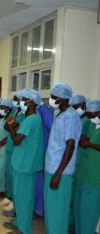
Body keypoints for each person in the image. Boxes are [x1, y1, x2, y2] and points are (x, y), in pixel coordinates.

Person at [3, 89, 44, 234]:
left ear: (31, 102)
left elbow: (16, 140)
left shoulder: (33, 118)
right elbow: (22, 133)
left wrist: (10, 128)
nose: (21, 102)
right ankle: (19, 222)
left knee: (24, 198)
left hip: (26, 165)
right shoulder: (30, 118)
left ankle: (24, 229)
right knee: (19, 196)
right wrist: (14, 126)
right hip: (23, 163)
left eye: (24, 99)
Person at [44, 83, 81, 234]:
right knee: (51, 210)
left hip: (60, 173)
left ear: (63, 98)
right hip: (52, 168)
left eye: (53, 97)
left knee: (57, 212)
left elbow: (70, 145)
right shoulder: (60, 114)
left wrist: (58, 174)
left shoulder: (70, 117)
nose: (51, 99)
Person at [74, 100, 100, 234]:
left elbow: (91, 143)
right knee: (79, 209)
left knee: (89, 213)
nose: (90, 117)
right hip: (83, 174)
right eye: (88, 115)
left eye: (92, 114)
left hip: (95, 178)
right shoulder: (91, 125)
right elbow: (85, 137)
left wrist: (90, 144)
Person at [2, 89, 26, 214]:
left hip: (17, 148)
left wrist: (11, 126)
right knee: (9, 176)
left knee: (16, 179)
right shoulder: (15, 111)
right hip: (11, 148)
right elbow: (8, 126)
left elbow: (16, 130)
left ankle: (14, 204)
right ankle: (9, 197)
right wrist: (11, 125)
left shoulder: (25, 116)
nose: (15, 101)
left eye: (17, 99)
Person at [68, 94, 89, 231]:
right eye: (73, 107)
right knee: (72, 196)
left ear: (83, 105)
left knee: (76, 197)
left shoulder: (87, 121)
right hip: (74, 161)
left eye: (77, 107)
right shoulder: (77, 119)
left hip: (81, 162)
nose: (75, 110)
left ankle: (73, 224)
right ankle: (70, 223)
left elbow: (82, 140)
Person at [34, 98, 53, 217]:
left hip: (43, 149)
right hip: (37, 150)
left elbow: (51, 126)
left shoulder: (43, 111)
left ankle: (39, 209)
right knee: (36, 181)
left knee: (40, 181)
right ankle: (36, 207)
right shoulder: (37, 111)